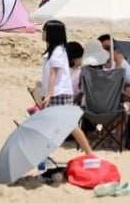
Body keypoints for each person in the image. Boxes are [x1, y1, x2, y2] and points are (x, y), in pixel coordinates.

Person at [39, 20, 93, 155]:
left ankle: (89, 152)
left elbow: (53, 74)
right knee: (53, 123)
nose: (42, 33)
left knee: (69, 124)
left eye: (44, 30)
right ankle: (44, 153)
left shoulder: (58, 51)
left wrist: (49, 95)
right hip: (55, 93)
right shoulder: (53, 51)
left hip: (59, 93)